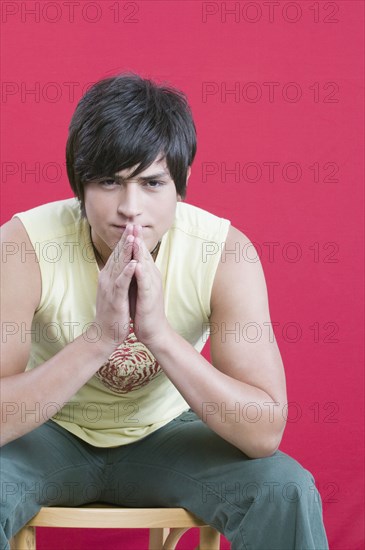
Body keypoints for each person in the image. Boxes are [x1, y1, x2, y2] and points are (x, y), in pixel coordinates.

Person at [0, 73, 328, 549]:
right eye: (109, 181)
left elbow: (262, 434)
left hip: (166, 434)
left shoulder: (223, 253)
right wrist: (99, 339)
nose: (130, 208)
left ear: (183, 183)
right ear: (79, 184)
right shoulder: (24, 246)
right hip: (49, 432)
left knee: (284, 490)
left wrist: (159, 335)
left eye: (152, 183)